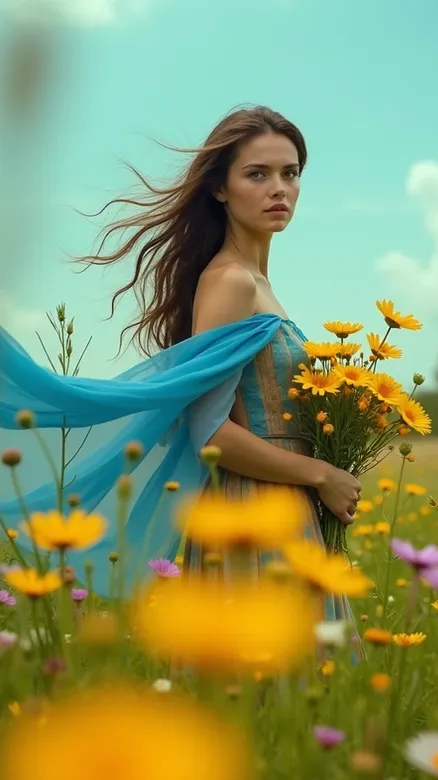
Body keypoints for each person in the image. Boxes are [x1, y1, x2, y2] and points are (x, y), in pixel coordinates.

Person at [0, 105, 360, 608]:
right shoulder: (231, 281)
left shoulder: (257, 284)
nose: (279, 188)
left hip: (285, 503)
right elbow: (209, 433)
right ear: (220, 188)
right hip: (250, 510)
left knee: (311, 679)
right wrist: (322, 475)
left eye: (290, 172)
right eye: (257, 174)